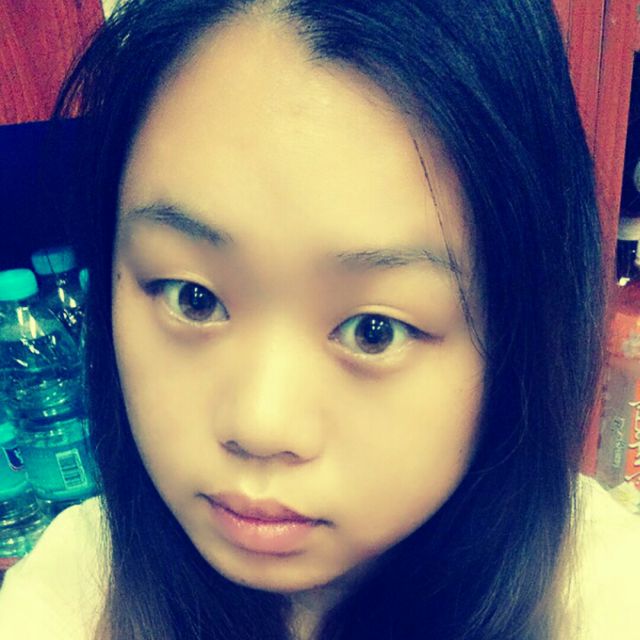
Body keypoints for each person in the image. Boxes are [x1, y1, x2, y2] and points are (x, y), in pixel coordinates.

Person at [2, 0, 639, 638]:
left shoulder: (604, 597)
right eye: (193, 298)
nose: (260, 426)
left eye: (374, 331)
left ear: (518, 332)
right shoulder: (71, 594)